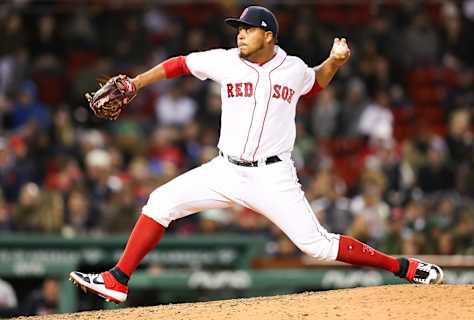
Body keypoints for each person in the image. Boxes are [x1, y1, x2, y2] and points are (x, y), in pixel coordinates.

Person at [70, 6, 443, 304]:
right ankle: (118, 279)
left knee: (317, 246)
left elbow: (313, 83)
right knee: (160, 201)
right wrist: (136, 83)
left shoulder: (292, 68)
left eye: (248, 29)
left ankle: (401, 266)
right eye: (239, 29)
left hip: (272, 177)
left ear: (268, 35)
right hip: (224, 169)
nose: (240, 34)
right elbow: (179, 64)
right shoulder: (225, 60)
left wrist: (335, 62)